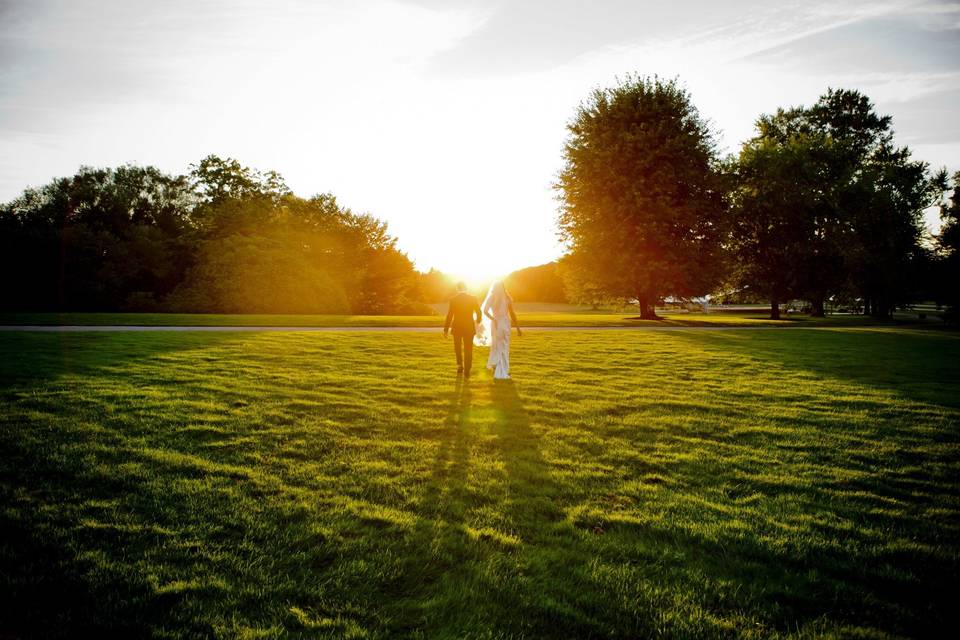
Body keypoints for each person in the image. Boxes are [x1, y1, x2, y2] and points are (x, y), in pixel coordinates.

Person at [475, 281, 521, 379]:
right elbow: (512, 314)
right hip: (503, 323)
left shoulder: (493, 298)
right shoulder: (506, 298)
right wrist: (518, 328)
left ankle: (496, 366)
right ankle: (502, 370)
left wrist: (493, 319)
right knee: (503, 346)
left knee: (497, 345)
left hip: (496, 323)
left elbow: (485, 311)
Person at [443, 282, 483, 376]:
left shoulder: (453, 299)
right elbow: (479, 312)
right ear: (466, 288)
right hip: (469, 326)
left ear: (457, 288)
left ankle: (460, 365)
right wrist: (477, 321)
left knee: (457, 347)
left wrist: (446, 329)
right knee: (468, 349)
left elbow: (450, 315)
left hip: (457, 326)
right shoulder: (473, 298)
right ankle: (467, 370)